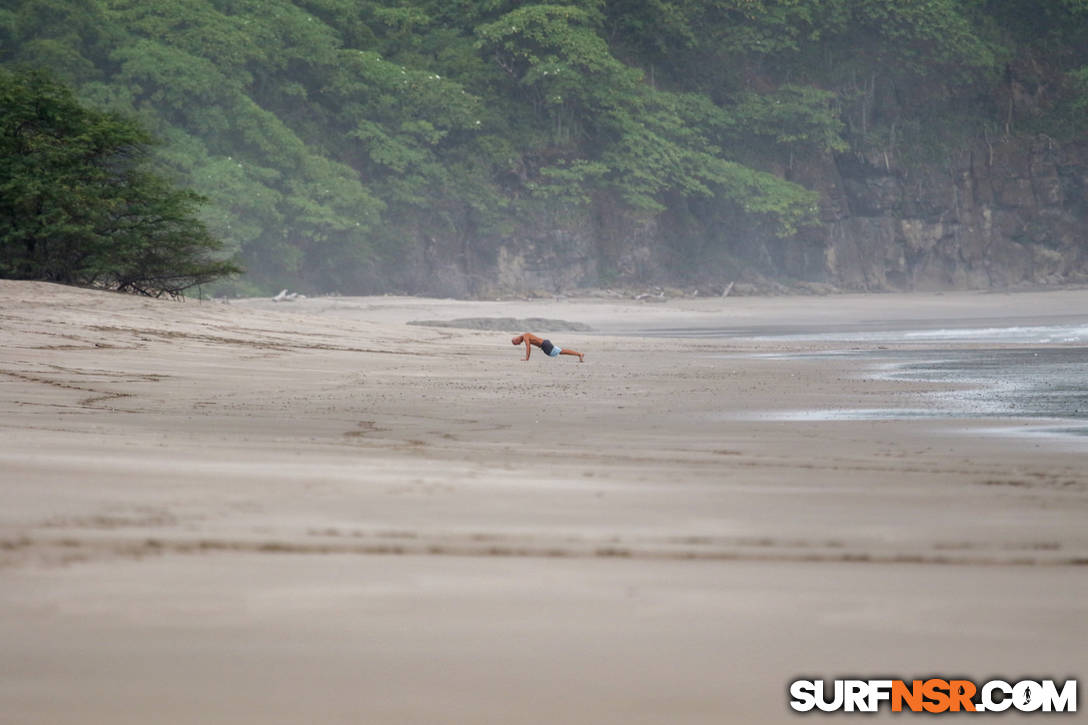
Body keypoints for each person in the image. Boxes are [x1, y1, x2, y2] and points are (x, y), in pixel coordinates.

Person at [511, 333, 584, 362]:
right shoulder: (525, 337)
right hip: (545, 344)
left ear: (516, 340)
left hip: (545, 345)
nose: (519, 344)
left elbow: (528, 347)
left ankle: (579, 354)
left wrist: (527, 358)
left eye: (517, 344)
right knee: (561, 351)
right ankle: (579, 354)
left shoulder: (525, 336)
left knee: (561, 352)